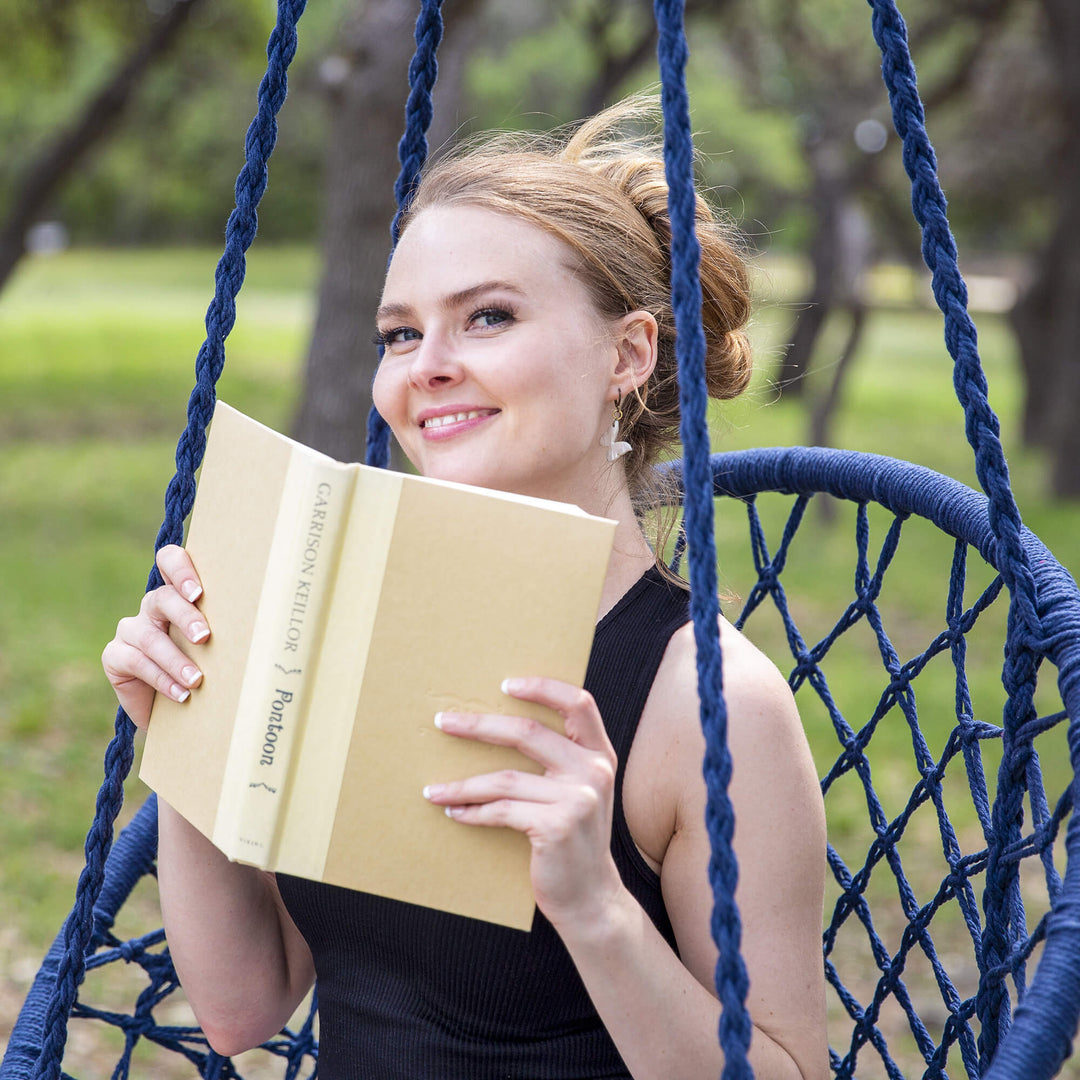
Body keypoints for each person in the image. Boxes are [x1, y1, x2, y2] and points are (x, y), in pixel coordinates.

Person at [102, 97, 828, 1080]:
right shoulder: (350, 627)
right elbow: (242, 1004)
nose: (429, 368)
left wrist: (594, 906)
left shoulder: (712, 707)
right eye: (399, 335)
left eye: (487, 317)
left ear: (628, 354)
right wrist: (183, 730)